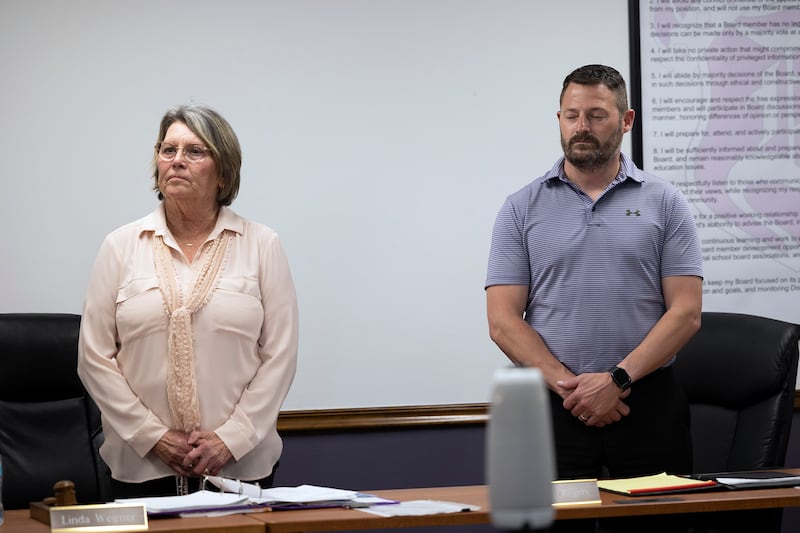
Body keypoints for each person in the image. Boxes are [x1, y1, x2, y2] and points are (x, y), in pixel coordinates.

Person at [485, 64, 703, 532]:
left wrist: (617, 380)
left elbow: (685, 313)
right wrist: (575, 389)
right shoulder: (520, 208)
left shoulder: (666, 202)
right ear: (559, 119)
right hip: (555, 413)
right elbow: (503, 320)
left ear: (626, 120)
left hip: (648, 407)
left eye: (597, 115)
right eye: (571, 115)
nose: (581, 127)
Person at [78, 104, 299, 498]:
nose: (177, 161)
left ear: (224, 172)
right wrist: (154, 437)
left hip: (239, 466)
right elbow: (94, 357)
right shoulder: (120, 246)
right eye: (168, 150)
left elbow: (280, 356)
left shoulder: (262, 245)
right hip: (141, 464)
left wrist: (230, 439)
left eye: (194, 152)